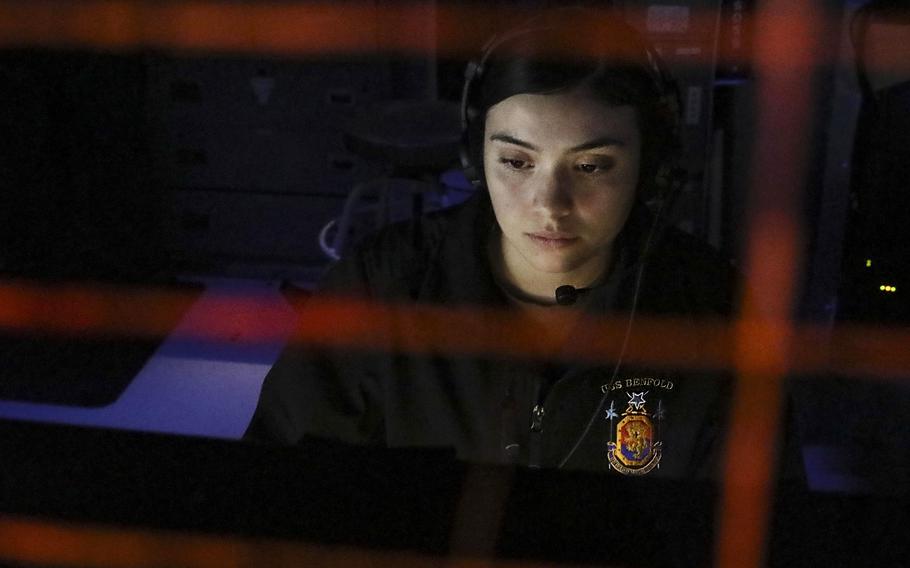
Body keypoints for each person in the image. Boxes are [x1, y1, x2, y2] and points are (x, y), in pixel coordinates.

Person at [245, 10, 737, 478]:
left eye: (590, 166)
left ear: (648, 169)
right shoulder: (381, 289)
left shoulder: (712, 310)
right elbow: (282, 494)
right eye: (517, 163)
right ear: (475, 156)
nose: (549, 205)